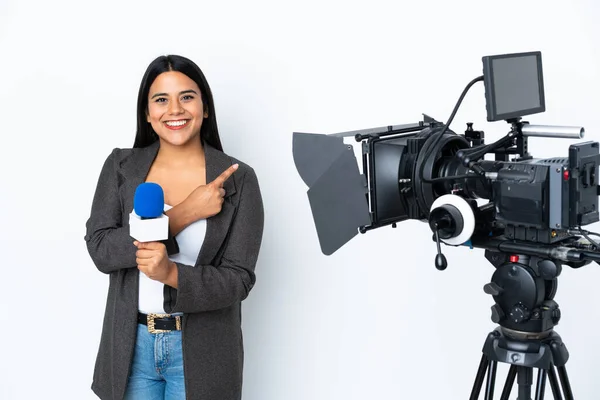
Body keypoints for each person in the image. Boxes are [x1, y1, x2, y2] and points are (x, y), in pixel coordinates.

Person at [84, 54, 264, 400]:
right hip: (131, 348)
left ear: (205, 107)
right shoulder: (121, 167)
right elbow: (102, 251)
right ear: (148, 113)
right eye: (161, 99)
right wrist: (184, 213)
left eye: (187, 96)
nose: (175, 110)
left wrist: (172, 274)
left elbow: (239, 279)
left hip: (202, 351)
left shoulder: (239, 179)